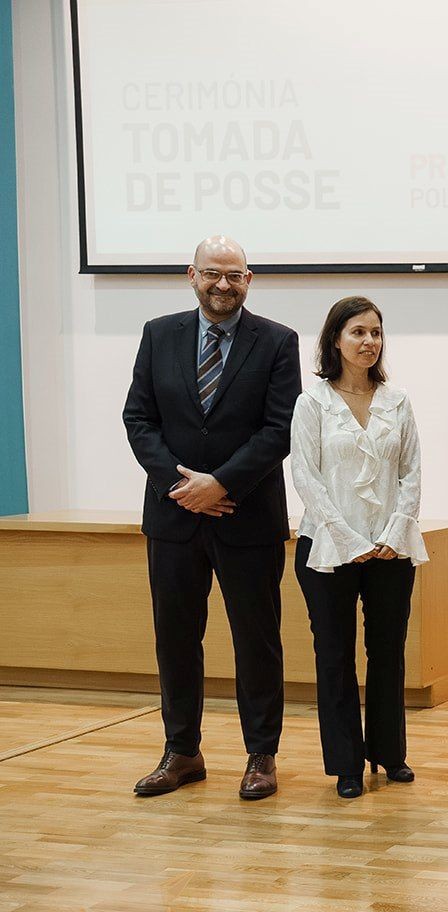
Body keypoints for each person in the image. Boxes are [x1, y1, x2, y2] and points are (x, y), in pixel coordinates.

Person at [122, 235, 300, 800]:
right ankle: (182, 751)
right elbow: (138, 418)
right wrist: (183, 487)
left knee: (257, 639)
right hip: (174, 518)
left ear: (249, 280)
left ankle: (261, 755)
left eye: (234, 275)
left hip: (246, 517)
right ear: (191, 275)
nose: (223, 284)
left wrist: (221, 484)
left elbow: (279, 429)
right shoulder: (159, 333)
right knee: (175, 637)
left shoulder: (277, 341)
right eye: (212, 274)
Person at [290, 296, 428, 799]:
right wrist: (348, 539)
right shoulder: (312, 404)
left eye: (375, 333)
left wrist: (393, 532)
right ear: (335, 340)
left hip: (391, 549)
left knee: (387, 653)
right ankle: (346, 764)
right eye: (358, 333)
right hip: (329, 549)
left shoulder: (397, 400)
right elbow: (305, 475)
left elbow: (411, 471)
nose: (368, 342)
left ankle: (390, 754)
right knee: (334, 656)